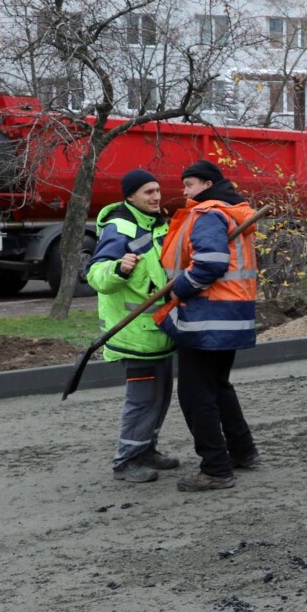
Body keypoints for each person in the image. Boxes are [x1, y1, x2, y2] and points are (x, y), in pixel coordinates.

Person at [155, 159, 261, 493]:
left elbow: (210, 264)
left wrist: (178, 288)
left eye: (189, 185)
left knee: (195, 393)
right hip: (229, 316)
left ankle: (215, 468)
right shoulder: (230, 212)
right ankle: (242, 452)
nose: (184, 191)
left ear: (206, 185)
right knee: (217, 387)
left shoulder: (208, 214)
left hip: (207, 317)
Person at [86, 169, 179, 483]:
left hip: (159, 330)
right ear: (130, 196)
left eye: (157, 190)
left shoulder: (157, 224)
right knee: (141, 399)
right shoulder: (120, 227)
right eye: (147, 192)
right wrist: (118, 268)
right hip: (134, 334)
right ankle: (125, 462)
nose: (155, 197)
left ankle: (146, 449)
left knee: (160, 395)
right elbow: (96, 274)